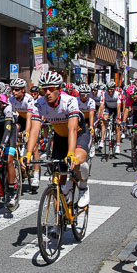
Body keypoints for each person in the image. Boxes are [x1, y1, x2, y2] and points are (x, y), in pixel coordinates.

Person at [25, 71, 91, 207]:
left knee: (78, 160)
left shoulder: (70, 101)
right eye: (44, 89)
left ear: (59, 89)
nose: (47, 92)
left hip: (78, 135)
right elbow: (34, 130)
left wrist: (71, 154)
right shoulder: (39, 104)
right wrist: (28, 154)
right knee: (58, 181)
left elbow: (72, 129)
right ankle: (57, 224)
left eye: (51, 89)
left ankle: (83, 187)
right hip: (60, 138)